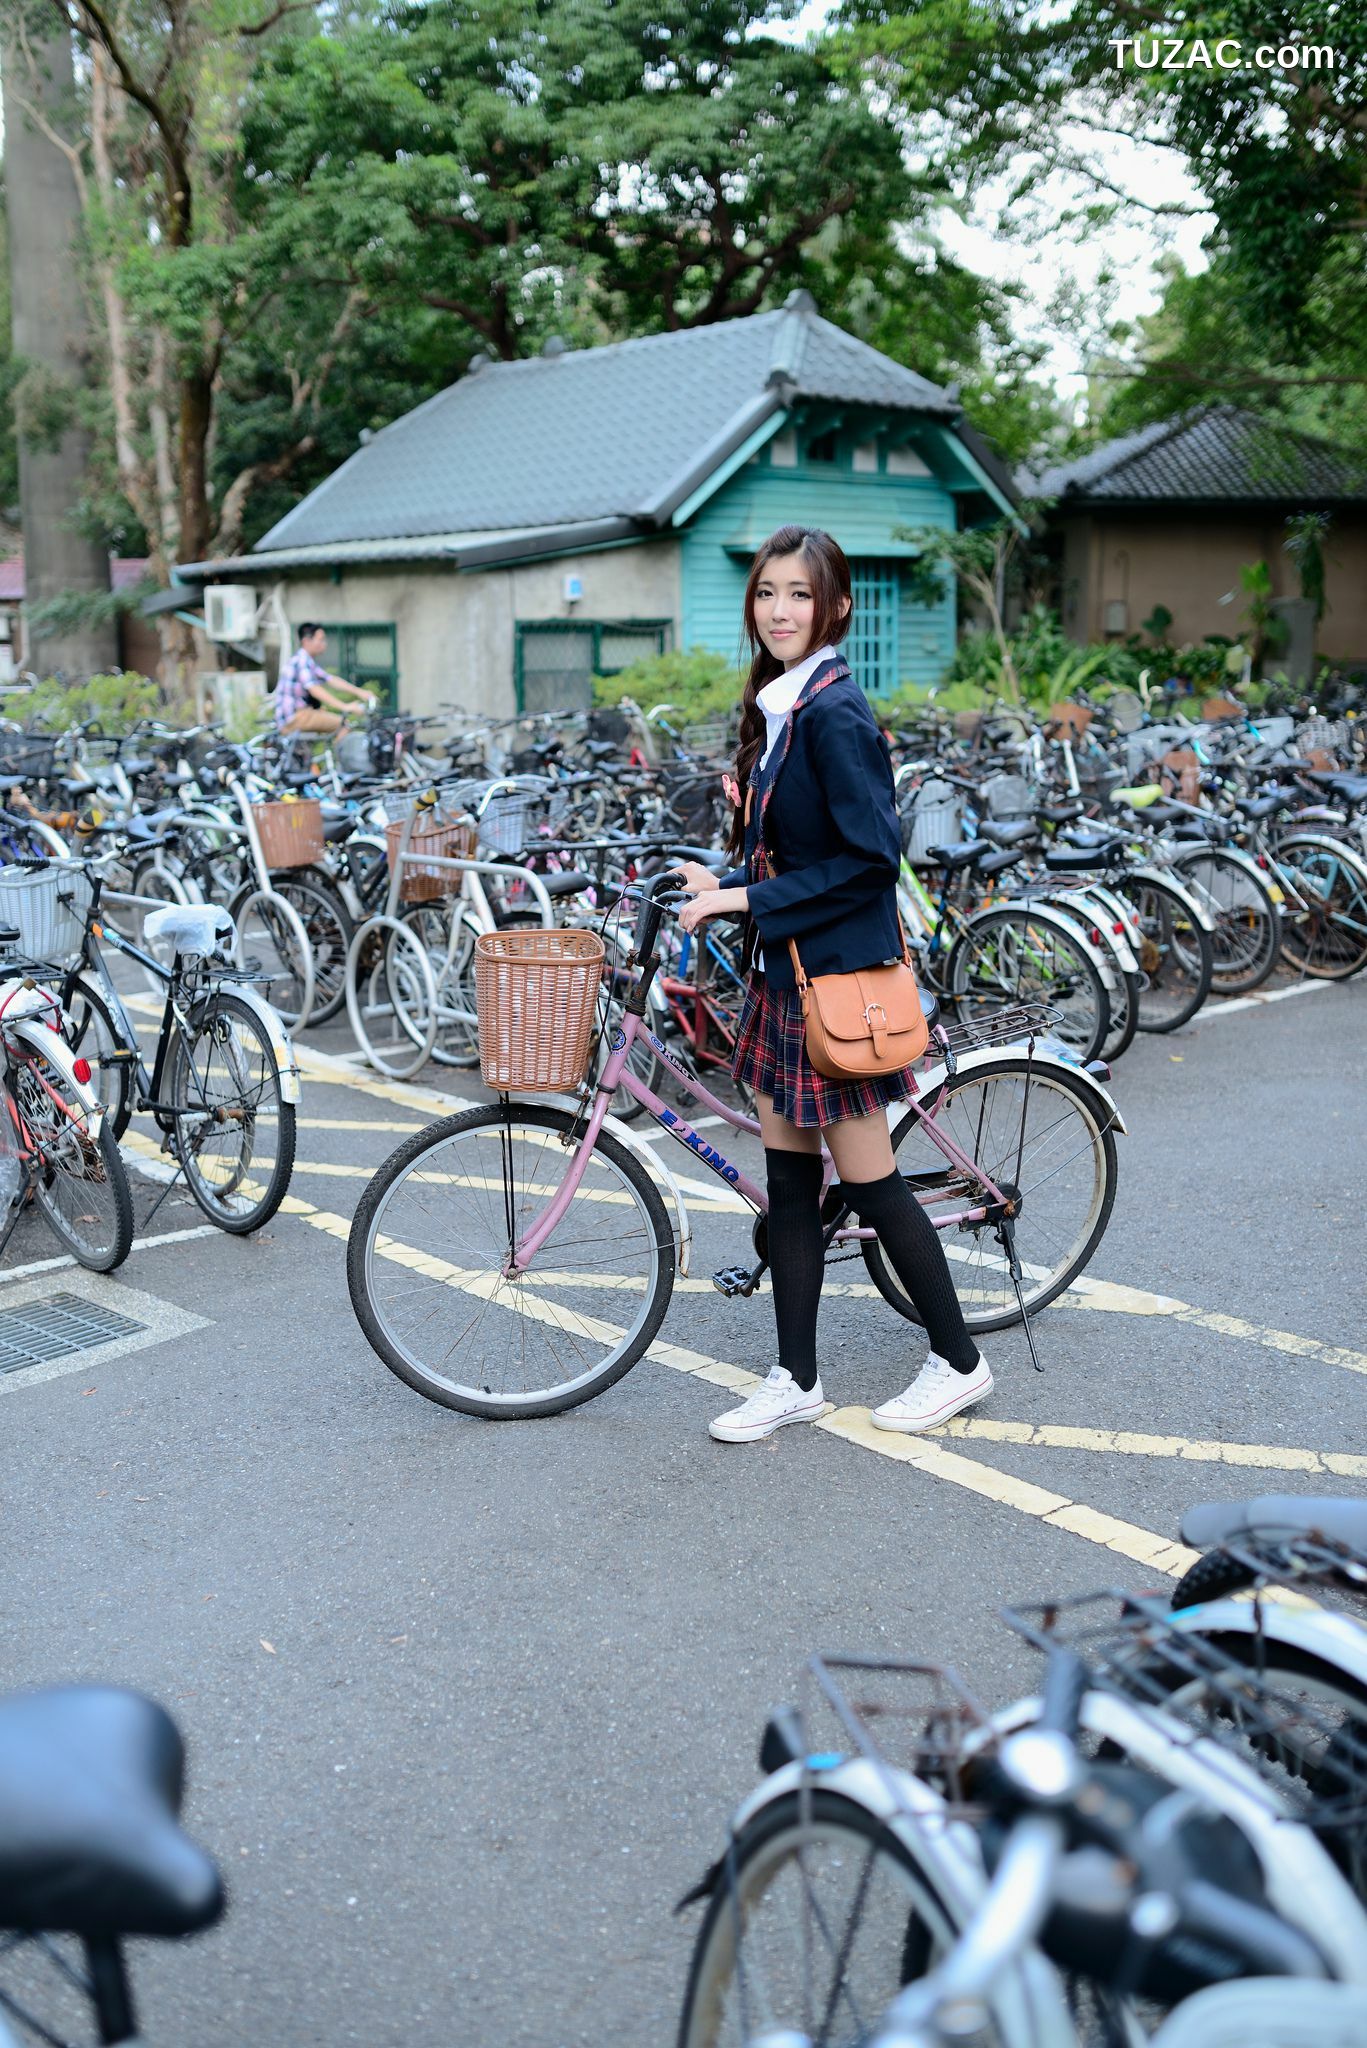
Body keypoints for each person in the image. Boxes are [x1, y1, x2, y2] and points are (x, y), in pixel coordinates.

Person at [677, 525, 993, 1445]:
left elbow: (868, 860)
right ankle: (795, 1378)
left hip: (840, 982)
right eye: (767, 592)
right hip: (794, 976)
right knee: (788, 1185)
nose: (779, 610)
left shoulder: (833, 712)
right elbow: (793, 845)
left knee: (873, 1183)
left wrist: (745, 897)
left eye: (799, 595)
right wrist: (723, 886)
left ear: (835, 607)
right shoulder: (783, 705)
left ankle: (960, 1361)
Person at [275, 624, 377, 736]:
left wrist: (359, 692)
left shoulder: (305, 660)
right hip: (294, 716)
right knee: (343, 725)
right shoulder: (302, 661)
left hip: (296, 714)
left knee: (325, 718)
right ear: (306, 641)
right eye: (321, 640)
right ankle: (337, 754)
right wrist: (345, 706)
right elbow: (314, 689)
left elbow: (331, 679)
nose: (324, 644)